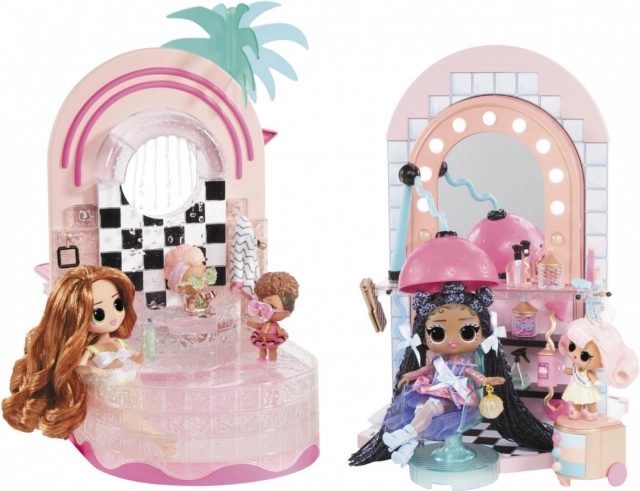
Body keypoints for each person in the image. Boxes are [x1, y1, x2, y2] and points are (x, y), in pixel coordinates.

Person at [349, 281, 553, 466]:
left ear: (483, 333)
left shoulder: (464, 364)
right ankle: (407, 448)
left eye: (467, 332)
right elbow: (426, 369)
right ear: (424, 336)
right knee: (421, 409)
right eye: (437, 333)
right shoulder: (438, 361)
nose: (453, 341)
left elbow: (474, 375)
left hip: (455, 399)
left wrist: (487, 380)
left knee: (429, 407)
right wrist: (409, 376)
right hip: (436, 392)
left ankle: (405, 434)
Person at [2, 266, 137, 439]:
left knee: (136, 413)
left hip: (125, 385)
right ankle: (159, 439)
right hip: (107, 391)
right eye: (98, 314)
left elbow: (138, 358)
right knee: (130, 419)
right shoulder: (90, 350)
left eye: (117, 304)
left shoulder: (117, 343)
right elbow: (80, 367)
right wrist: (93, 371)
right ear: (77, 318)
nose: (113, 316)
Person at [559, 317, 638, 420]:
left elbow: (592, 376)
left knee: (590, 401)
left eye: (584, 355)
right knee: (577, 400)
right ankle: (576, 410)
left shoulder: (588, 371)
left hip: (587, 388)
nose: (575, 355)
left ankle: (592, 412)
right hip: (577, 388)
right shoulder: (577, 369)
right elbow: (571, 372)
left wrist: (595, 381)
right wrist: (563, 369)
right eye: (572, 347)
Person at [247, 272, 299, 360]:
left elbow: (280, 331)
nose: (263, 309)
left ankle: (272, 360)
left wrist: (282, 333)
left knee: (272, 351)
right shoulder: (265, 323)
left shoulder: (275, 326)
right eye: (260, 303)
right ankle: (261, 359)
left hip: (272, 341)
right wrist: (251, 323)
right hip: (261, 340)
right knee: (262, 350)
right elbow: (260, 326)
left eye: (270, 306)